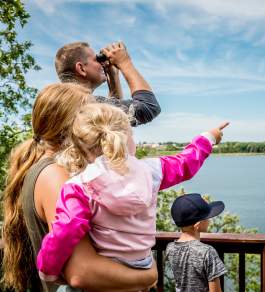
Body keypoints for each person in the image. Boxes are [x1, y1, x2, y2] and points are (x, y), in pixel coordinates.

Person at [36, 102, 229, 281]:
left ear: (80, 148)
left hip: (107, 269)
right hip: (143, 264)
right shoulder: (152, 171)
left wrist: (47, 270)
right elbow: (186, 163)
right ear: (127, 140)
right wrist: (208, 137)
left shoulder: (80, 186)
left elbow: (64, 232)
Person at [2, 83, 158, 292]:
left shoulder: (46, 169)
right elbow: (81, 272)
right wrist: (148, 275)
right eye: (90, 115)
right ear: (71, 126)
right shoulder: (55, 176)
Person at [55, 41, 161, 127]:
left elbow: (113, 114)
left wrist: (113, 75)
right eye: (97, 59)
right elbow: (149, 107)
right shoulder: (88, 105)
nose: (102, 63)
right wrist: (125, 62)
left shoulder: (63, 103)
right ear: (81, 68)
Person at [166, 193, 227, 292]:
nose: (209, 219)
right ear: (197, 225)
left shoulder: (170, 248)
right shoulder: (207, 252)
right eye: (207, 217)